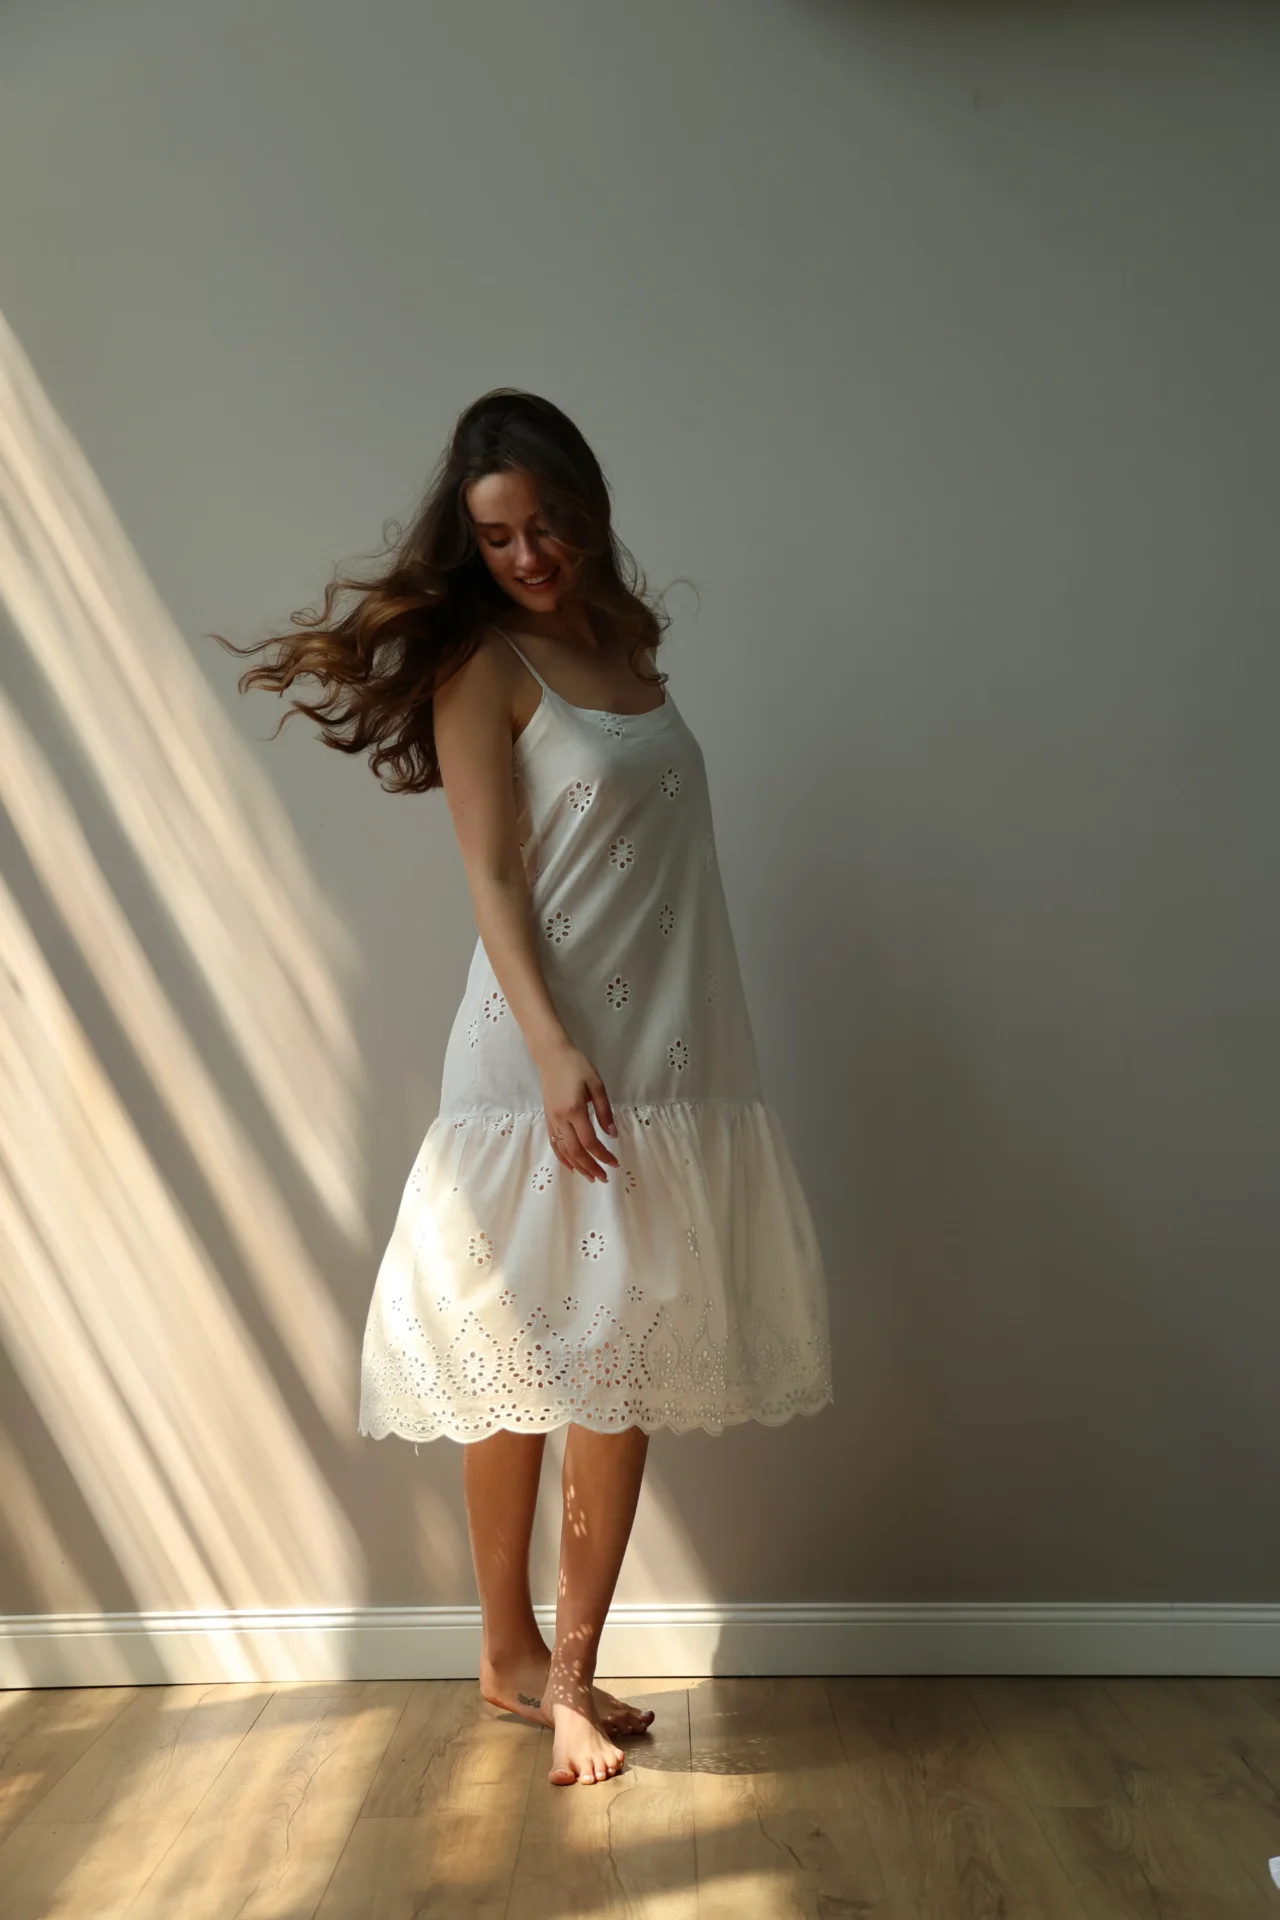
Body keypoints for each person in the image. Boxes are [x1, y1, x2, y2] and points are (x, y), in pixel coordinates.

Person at [216, 388, 833, 1787]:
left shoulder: (624, 645)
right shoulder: (483, 666)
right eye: (497, 537)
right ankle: (514, 1663)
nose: (527, 556)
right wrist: (554, 1049)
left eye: (546, 525)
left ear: (587, 513)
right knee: (520, 1359)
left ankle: (567, 1671)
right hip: (538, 1053)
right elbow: (492, 877)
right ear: (471, 542)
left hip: (670, 1051)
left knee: (617, 1367)